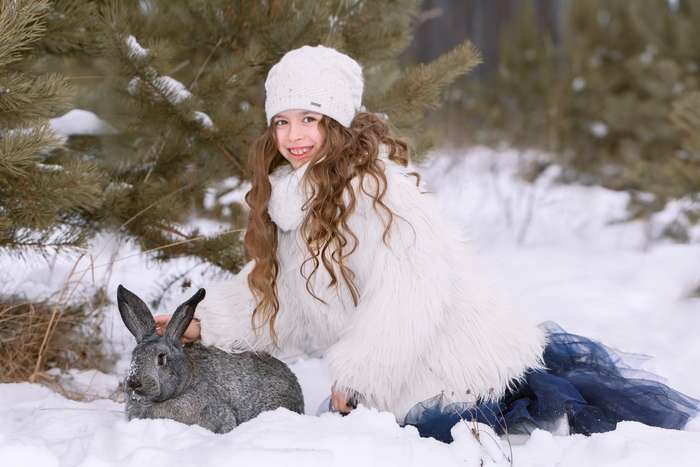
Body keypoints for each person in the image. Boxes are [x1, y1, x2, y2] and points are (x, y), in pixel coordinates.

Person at [155, 45, 699, 442]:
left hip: (452, 371)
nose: (294, 136)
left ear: (337, 123)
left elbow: (407, 298)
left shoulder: (380, 194)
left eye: (310, 119)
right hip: (395, 375)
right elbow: (291, 303)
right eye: (282, 122)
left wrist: (358, 378)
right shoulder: (293, 201)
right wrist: (214, 323)